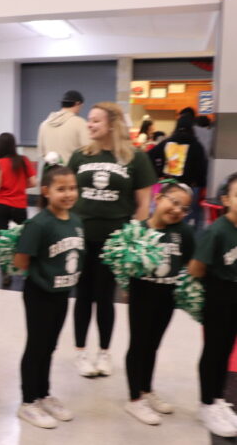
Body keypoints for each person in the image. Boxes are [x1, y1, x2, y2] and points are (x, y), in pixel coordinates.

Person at [67, 102, 157, 377]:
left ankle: (104, 352)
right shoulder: (80, 156)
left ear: (112, 125)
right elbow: (68, 195)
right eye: (89, 121)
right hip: (81, 239)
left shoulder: (135, 158)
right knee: (82, 296)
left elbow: (144, 203)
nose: (89, 125)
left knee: (105, 298)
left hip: (114, 244)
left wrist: (136, 240)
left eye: (95, 121)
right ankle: (81, 353)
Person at [14, 159, 84, 429]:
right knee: (36, 346)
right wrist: (44, 274)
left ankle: (43, 394)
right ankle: (27, 401)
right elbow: (21, 261)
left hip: (62, 294)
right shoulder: (40, 224)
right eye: (61, 189)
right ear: (46, 191)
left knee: (50, 346)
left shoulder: (76, 221)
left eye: (72, 188)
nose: (68, 194)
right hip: (39, 294)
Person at [123, 181, 194, 425]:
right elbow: (124, 265)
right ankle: (134, 399)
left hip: (167, 296)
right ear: (157, 199)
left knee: (153, 345)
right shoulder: (138, 230)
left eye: (184, 208)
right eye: (173, 202)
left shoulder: (183, 233)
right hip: (142, 294)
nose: (177, 210)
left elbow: (188, 262)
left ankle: (146, 389)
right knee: (138, 343)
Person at [188, 173, 237, 438]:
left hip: (234, 295)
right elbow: (196, 268)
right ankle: (206, 403)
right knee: (214, 350)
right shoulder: (218, 230)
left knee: (227, 347)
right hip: (218, 294)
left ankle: (218, 399)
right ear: (226, 200)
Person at [148, 112, 208, 230]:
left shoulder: (168, 142)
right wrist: (201, 184)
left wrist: (158, 173)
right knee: (184, 214)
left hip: (169, 184)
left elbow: (150, 155)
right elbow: (201, 167)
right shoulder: (196, 145)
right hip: (189, 187)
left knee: (165, 212)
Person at [0, 133, 37, 286]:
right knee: (24, 238)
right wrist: (19, 186)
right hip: (19, 204)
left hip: (1, 204)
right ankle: (25, 268)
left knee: (2, 238)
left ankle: (5, 273)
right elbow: (33, 182)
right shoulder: (23, 161)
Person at [37, 90, 89, 165]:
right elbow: (87, 151)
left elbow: (41, 154)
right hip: (70, 173)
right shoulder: (80, 123)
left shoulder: (44, 125)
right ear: (78, 104)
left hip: (50, 173)